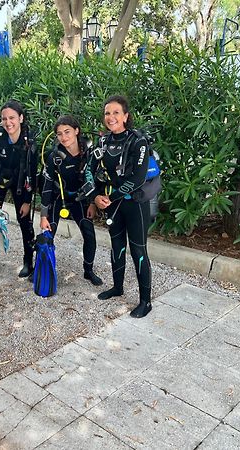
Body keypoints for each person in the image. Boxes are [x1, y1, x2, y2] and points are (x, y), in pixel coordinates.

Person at [92, 95, 152, 318]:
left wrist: (111, 197)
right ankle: (117, 288)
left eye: (116, 112)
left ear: (126, 116)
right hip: (112, 204)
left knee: (138, 250)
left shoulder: (138, 142)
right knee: (117, 246)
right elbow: (92, 171)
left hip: (135, 204)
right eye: (107, 113)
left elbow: (137, 178)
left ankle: (145, 301)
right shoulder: (103, 142)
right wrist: (96, 196)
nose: (111, 117)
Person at [40, 115, 103, 286]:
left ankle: (88, 270)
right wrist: (43, 215)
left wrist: (92, 203)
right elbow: (46, 185)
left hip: (79, 199)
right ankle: (44, 269)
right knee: (47, 235)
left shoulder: (90, 152)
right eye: (59, 134)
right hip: (57, 198)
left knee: (89, 234)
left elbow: (95, 180)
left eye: (67, 132)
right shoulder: (55, 156)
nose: (64, 137)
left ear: (76, 131)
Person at [0, 100, 37, 277]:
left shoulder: (30, 140)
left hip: (22, 181)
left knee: (25, 221)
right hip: (0, 178)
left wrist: (28, 201)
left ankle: (28, 262)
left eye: (12, 118)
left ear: (21, 118)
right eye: (4, 118)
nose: (8, 122)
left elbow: (32, 173)